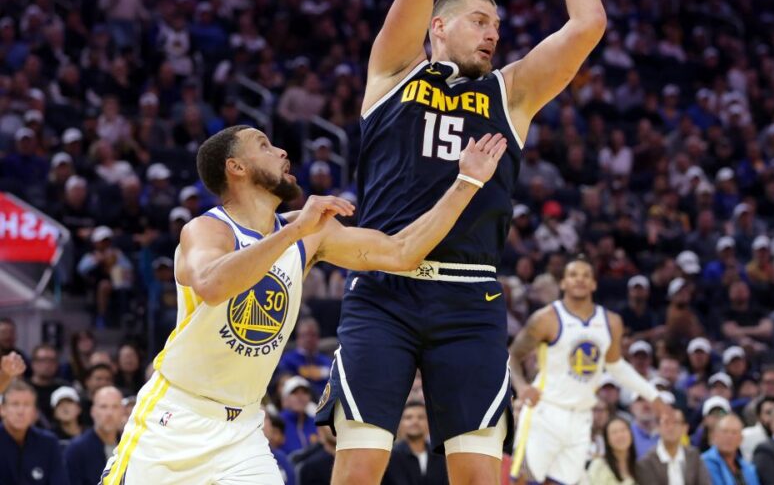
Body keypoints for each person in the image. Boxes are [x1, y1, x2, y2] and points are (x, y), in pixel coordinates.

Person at [315, 0, 606, 482]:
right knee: (359, 469)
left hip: (470, 299)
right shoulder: (393, 71)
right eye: (479, 21)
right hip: (384, 289)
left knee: (478, 475)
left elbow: (588, 24)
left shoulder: (511, 93)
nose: (492, 33)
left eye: (497, 25)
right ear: (438, 26)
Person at [98, 124, 506, 484]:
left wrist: (467, 181)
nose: (281, 151)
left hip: (242, 429)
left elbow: (402, 252)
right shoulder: (208, 229)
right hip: (176, 418)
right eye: (264, 145)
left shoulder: (309, 233)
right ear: (236, 167)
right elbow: (213, 284)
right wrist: (292, 233)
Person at [508, 258, 667, 483]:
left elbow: (616, 365)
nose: (580, 279)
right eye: (573, 275)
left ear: (594, 283)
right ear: (563, 282)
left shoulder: (611, 322)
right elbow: (513, 355)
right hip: (545, 411)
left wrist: (653, 395)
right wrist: (522, 386)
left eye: (586, 275)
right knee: (525, 480)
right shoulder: (546, 318)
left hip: (581, 418)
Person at [0, 380, 70, 485]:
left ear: (35, 412)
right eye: (15, 404)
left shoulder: (48, 443)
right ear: (2, 409)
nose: (20, 411)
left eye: (27, 405)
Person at [635, 407, 711, 485]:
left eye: (676, 422)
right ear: (658, 427)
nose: (671, 427)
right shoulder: (646, 462)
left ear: (685, 428)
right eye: (666, 422)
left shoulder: (694, 455)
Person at [65, 386, 125, 485]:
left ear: (123, 411)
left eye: (115, 407)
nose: (109, 413)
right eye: (103, 407)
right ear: (93, 412)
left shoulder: (131, 446)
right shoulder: (77, 449)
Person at [383, 400, 448, 485]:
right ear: (400, 423)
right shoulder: (388, 456)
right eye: (408, 417)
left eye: (421, 417)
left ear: (429, 422)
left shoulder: (441, 456)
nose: (415, 422)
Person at [276, 317, 333, 398]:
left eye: (313, 335)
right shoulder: (288, 360)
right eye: (305, 335)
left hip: (327, 400)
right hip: (301, 400)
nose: (309, 339)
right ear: (298, 337)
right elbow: (285, 386)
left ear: (318, 337)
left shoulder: (328, 361)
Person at [701, 415, 760, 485]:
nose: (729, 437)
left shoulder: (748, 468)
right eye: (724, 431)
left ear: (741, 439)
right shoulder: (703, 463)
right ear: (715, 435)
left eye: (734, 433)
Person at [586, 416, 638, 485]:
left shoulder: (639, 466)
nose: (620, 435)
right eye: (614, 432)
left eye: (623, 430)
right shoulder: (599, 466)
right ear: (607, 439)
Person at [279, 376, 317, 455]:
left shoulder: (316, 422)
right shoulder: (278, 422)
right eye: (294, 393)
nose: (300, 397)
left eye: (304, 392)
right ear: (285, 399)